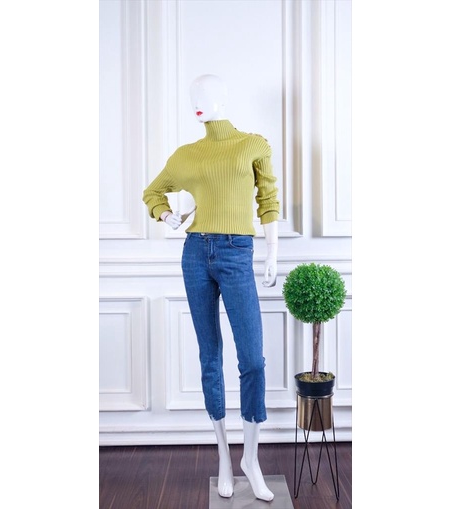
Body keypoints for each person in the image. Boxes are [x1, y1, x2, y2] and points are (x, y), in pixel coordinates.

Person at [142, 74, 279, 502]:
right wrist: (167, 216)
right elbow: (152, 192)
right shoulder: (186, 155)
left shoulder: (253, 145)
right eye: (192, 96)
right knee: (209, 356)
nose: (197, 102)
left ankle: (250, 459)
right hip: (195, 254)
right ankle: (223, 454)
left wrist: (272, 252)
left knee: (252, 359)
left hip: (238, 253)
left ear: (224, 97)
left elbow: (268, 199)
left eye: (205, 95)